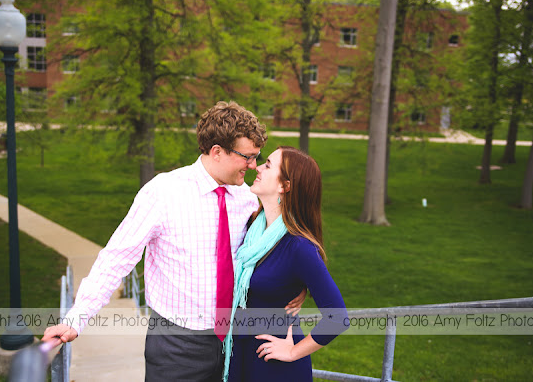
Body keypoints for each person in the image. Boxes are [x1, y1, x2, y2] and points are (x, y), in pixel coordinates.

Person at [42, 101, 305, 382]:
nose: (253, 165)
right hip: (176, 347)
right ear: (217, 151)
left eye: (257, 156)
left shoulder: (247, 198)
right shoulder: (162, 193)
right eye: (247, 156)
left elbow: (271, 249)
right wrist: (75, 319)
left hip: (235, 341)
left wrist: (298, 285)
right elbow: (116, 258)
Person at [223, 146, 348, 382]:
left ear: (285, 186)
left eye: (268, 165)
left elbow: (338, 317)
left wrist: (292, 352)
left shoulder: (299, 247)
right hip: (241, 354)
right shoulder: (253, 228)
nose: (257, 167)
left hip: (274, 365)